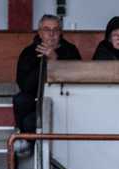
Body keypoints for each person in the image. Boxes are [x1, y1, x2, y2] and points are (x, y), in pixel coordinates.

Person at [12, 16, 79, 155]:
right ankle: (23, 138)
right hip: (36, 100)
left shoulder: (71, 50)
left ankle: (31, 143)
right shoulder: (28, 52)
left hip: (64, 100)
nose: (51, 34)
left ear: (61, 32)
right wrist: (44, 62)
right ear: (40, 32)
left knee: (30, 123)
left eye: (56, 30)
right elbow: (25, 85)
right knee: (20, 101)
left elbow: (76, 78)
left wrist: (54, 60)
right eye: (47, 29)